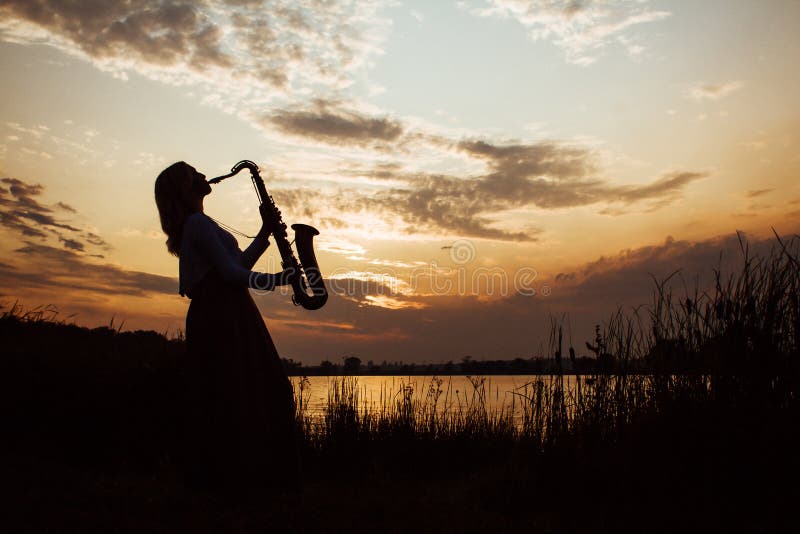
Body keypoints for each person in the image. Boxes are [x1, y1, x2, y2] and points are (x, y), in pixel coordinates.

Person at [154, 161, 300, 494]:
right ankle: (250, 488)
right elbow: (234, 276)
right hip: (222, 312)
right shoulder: (198, 225)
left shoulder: (197, 225)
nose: (204, 176)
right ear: (184, 188)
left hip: (226, 310)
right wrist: (281, 279)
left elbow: (236, 266)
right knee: (248, 393)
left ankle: (237, 487)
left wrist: (265, 233)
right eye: (194, 174)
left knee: (238, 394)